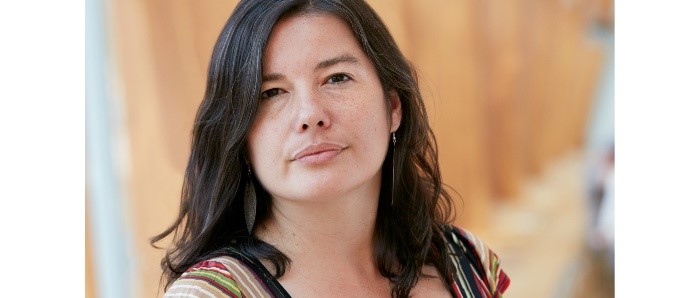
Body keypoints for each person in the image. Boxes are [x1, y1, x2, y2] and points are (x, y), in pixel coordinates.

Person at [152, 0, 510, 297]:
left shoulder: (466, 262)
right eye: (271, 93)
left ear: (393, 107)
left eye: (337, 78)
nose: (310, 115)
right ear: (240, 136)